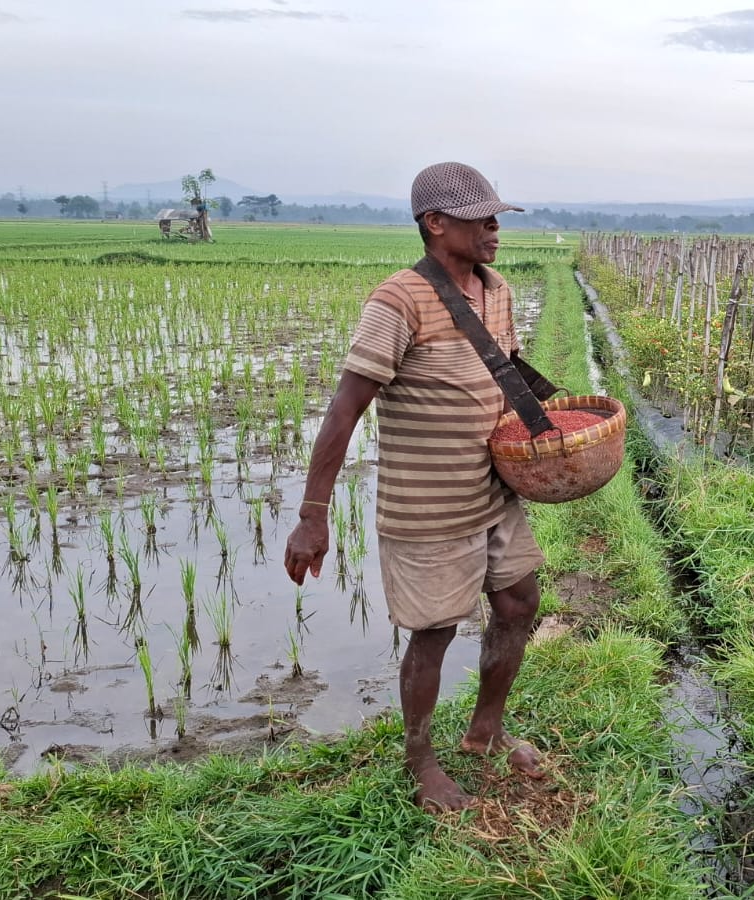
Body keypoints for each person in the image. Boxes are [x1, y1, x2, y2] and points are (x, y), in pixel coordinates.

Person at [284, 161, 546, 812]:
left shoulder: (498, 288)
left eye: (496, 216)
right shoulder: (398, 300)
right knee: (432, 632)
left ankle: (485, 731)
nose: (493, 228)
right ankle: (420, 760)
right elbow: (345, 409)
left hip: (495, 490)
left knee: (519, 602)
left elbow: (505, 371)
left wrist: (549, 434)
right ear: (435, 224)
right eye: (479, 217)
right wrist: (314, 515)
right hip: (427, 506)